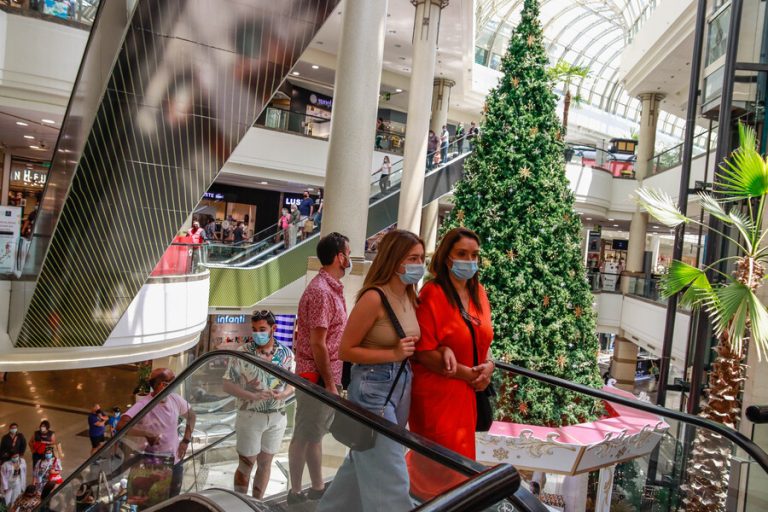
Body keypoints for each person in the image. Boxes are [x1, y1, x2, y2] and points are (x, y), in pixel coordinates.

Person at [317, 230, 424, 512]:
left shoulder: (411, 297)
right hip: (372, 390)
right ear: (394, 259)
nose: (419, 264)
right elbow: (345, 350)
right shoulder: (374, 298)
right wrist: (393, 353)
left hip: (399, 387)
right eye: (412, 258)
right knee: (391, 478)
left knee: (365, 460)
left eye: (421, 258)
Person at [406, 227, 494, 500]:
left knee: (459, 466)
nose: (469, 260)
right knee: (437, 467)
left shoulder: (479, 292)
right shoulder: (433, 293)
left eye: (474, 255)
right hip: (437, 395)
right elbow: (422, 352)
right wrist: (468, 374)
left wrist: (489, 367)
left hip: (467, 394)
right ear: (447, 257)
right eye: (462, 254)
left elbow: (482, 339)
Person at [288, 232, 350, 505]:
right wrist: (330, 384)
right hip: (316, 378)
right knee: (304, 434)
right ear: (339, 257)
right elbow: (318, 344)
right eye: (347, 253)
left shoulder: (330, 288)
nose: (349, 258)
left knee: (313, 434)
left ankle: (315, 486)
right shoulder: (322, 292)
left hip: (322, 377)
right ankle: (296, 492)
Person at [222, 310, 295, 498]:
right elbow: (227, 385)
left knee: (265, 463)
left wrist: (283, 395)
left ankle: (256, 502)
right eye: (254, 329)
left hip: (277, 417)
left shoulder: (286, 354)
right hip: (250, 416)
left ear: (274, 329)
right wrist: (251, 395)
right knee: (246, 464)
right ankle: (240, 503)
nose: (257, 334)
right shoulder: (243, 353)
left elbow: (292, 385)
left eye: (262, 329)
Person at [117, 368, 197, 497]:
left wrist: (186, 441)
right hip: (150, 464)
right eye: (172, 381)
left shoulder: (175, 399)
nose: (175, 384)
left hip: (175, 462)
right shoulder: (144, 404)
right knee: (148, 501)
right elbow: (121, 425)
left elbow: (192, 416)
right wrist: (147, 433)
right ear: (161, 384)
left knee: (172, 501)